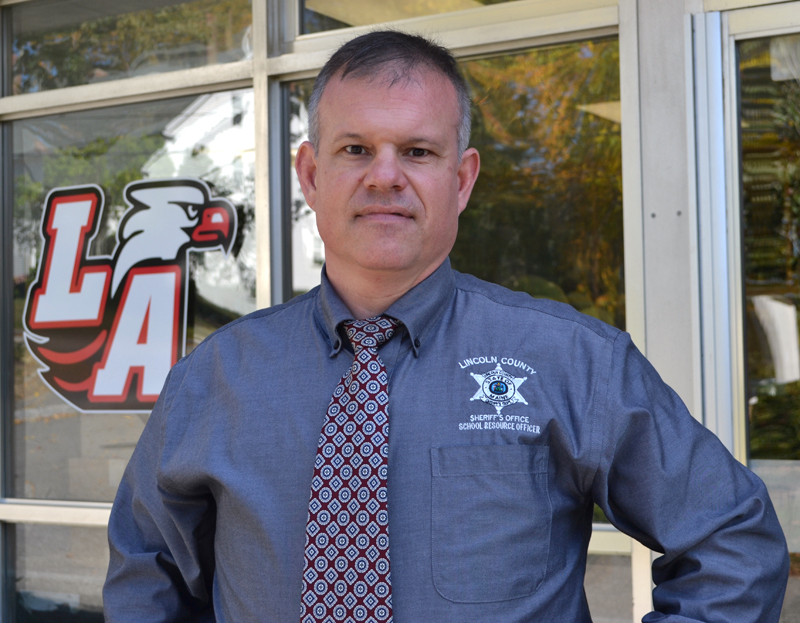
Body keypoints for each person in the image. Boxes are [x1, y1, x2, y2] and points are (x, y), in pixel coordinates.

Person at [103, 30, 789, 622]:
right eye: (355, 149)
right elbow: (146, 575)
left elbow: (732, 543)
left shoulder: (571, 362)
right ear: (310, 175)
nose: (385, 177)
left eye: (418, 152)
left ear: (461, 180)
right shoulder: (216, 378)